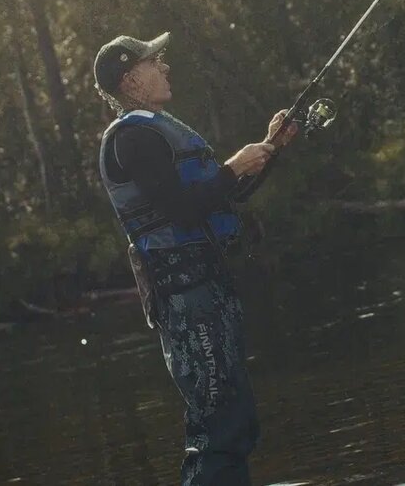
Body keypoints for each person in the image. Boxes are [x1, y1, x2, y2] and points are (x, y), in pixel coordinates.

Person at [92, 32, 296, 485]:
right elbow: (182, 211)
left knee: (236, 417)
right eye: (153, 63)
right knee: (218, 423)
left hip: (208, 286)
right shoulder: (132, 139)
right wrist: (234, 166)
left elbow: (224, 196)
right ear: (131, 81)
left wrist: (271, 147)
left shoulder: (158, 128)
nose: (164, 67)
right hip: (185, 296)